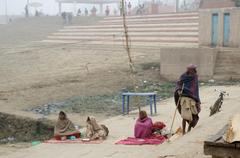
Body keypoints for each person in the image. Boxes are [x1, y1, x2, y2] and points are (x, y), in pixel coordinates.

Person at [174, 64, 201, 135]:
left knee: (192, 115)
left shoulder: (195, 77)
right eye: (190, 69)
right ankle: (183, 131)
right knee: (184, 116)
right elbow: (178, 84)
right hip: (184, 99)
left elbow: (195, 89)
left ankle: (189, 129)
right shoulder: (183, 76)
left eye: (193, 69)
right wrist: (179, 91)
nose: (191, 71)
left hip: (192, 99)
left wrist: (198, 101)